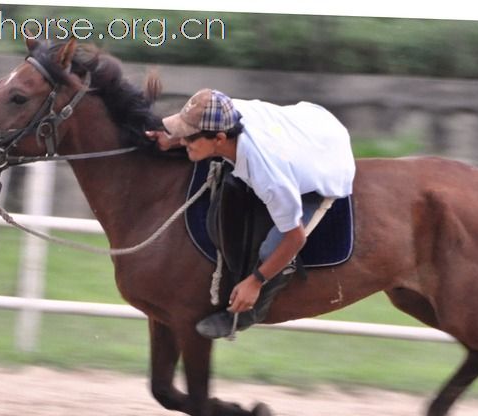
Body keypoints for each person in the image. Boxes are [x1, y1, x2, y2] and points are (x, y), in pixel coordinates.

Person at [146, 89, 355, 339]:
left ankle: (246, 313)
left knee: (271, 249)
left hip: (329, 163)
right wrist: (174, 139)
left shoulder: (269, 178)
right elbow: (198, 131)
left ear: (220, 138)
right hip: (310, 122)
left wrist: (254, 281)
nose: (184, 141)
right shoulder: (224, 109)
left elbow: (295, 238)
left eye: (189, 137)